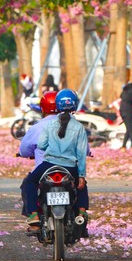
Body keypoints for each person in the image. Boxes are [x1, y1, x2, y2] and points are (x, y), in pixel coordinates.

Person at [23, 89, 89, 231]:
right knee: (81, 185)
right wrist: (82, 176)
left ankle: (34, 214)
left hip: (49, 165)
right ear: (75, 105)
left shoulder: (49, 125)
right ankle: (82, 212)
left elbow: (41, 145)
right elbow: (81, 153)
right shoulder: (79, 128)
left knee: (30, 181)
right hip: (70, 166)